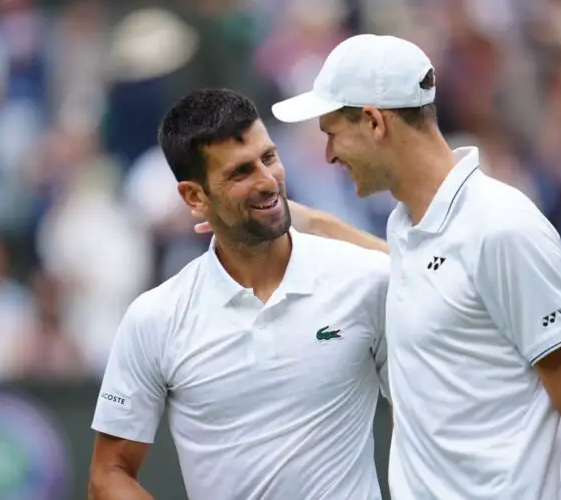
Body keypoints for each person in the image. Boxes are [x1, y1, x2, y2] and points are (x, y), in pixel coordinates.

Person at [266, 34, 561, 499]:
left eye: (332, 134)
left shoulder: (502, 227)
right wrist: (306, 221)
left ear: (374, 122)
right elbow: (427, 274)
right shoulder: (409, 227)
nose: (329, 155)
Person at [88, 88, 390, 500]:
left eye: (269, 157)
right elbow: (108, 474)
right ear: (195, 197)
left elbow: (426, 415)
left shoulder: (367, 279)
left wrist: (319, 223)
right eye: (241, 173)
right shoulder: (156, 317)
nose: (268, 181)